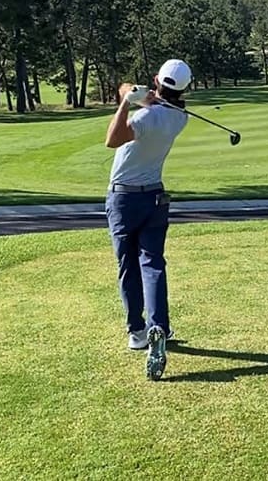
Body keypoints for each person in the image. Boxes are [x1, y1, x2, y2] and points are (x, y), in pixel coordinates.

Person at [104, 58, 191, 381]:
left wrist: (127, 102)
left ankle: (137, 332)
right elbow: (130, 90)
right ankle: (160, 328)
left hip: (124, 198)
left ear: (157, 79)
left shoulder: (145, 116)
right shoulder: (179, 117)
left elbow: (113, 139)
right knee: (152, 263)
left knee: (128, 264)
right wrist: (132, 94)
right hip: (155, 196)